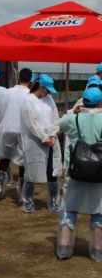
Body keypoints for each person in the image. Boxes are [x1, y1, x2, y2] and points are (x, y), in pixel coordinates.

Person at [56, 87, 102, 262]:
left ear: (83, 101)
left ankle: (64, 248)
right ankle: (98, 251)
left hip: (75, 171)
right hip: (99, 173)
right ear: (100, 102)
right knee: (99, 211)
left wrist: (73, 112)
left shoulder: (72, 119)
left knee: (70, 207)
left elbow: (57, 126)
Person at [20, 74, 61, 214]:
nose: (49, 93)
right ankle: (28, 200)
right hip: (34, 141)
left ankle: (54, 200)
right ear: (41, 87)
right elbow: (31, 123)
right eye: (47, 89)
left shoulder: (49, 99)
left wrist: (53, 134)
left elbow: (55, 118)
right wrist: (44, 137)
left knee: (52, 171)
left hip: (51, 141)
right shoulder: (28, 100)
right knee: (31, 171)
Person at [0, 68, 32, 201]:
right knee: (23, 161)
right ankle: (21, 191)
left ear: (18, 78)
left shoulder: (7, 92)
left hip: (7, 127)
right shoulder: (30, 95)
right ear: (30, 80)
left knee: (4, 158)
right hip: (22, 130)